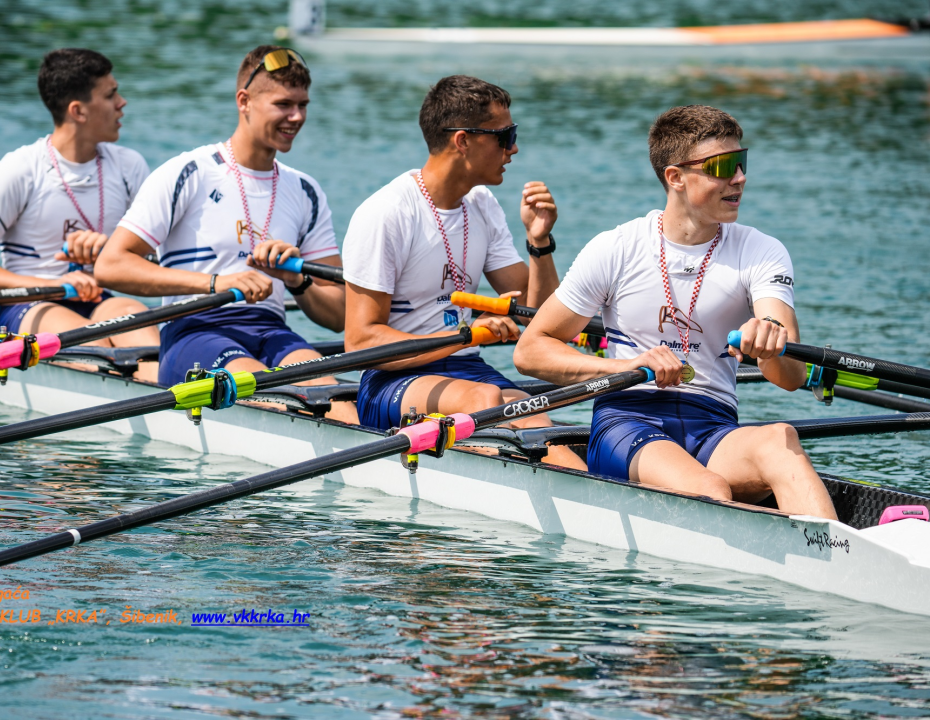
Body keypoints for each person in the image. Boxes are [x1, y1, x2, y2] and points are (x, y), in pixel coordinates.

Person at [514, 105, 837, 518]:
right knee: (708, 487)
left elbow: (790, 378)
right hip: (627, 422)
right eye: (722, 166)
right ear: (676, 177)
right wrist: (627, 366)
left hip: (714, 426)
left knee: (780, 439)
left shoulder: (761, 251)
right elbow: (530, 350)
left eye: (742, 163)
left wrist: (771, 342)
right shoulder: (616, 248)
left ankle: (839, 560)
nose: (739, 178)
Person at [95, 46, 355, 422]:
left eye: (303, 105)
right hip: (194, 331)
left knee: (338, 400)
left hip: (270, 329)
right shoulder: (188, 173)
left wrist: (298, 282)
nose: (296, 116)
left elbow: (340, 314)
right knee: (273, 391)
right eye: (284, 104)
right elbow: (111, 266)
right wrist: (215, 282)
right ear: (244, 101)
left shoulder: (306, 191)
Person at [341, 75, 583, 469]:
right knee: (484, 402)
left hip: (467, 368)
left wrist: (539, 242)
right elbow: (361, 341)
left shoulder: (483, 205)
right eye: (505, 136)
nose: (514, 148)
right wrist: (467, 335)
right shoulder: (386, 213)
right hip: (391, 381)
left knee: (540, 424)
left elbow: (538, 314)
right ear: (463, 140)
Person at [0, 48, 158, 381]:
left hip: (102, 299)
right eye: (111, 94)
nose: (122, 102)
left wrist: (110, 250)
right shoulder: (19, 171)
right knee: (95, 346)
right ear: (78, 111)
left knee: (146, 341)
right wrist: (51, 285)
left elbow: (159, 261)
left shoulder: (130, 166)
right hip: (29, 305)